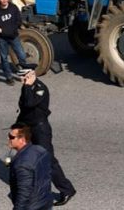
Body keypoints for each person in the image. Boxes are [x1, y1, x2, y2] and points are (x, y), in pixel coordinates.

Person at [16, 70, 76, 206]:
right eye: (21, 76)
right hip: (28, 128)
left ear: (32, 75)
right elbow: (24, 110)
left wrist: (27, 86)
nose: (22, 79)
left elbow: (29, 104)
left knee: (47, 161)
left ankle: (67, 190)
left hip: (40, 129)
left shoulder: (40, 88)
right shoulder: (27, 87)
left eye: (24, 76)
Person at [8, 122, 54, 210]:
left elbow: (24, 191)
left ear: (22, 139)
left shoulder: (22, 164)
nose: (8, 139)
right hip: (45, 201)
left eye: (11, 137)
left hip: (31, 206)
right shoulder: (41, 151)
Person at [0, 0, 28, 85]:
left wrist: (13, 29)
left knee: (22, 56)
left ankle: (23, 75)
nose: (4, 0)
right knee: (4, 58)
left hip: (13, 36)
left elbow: (18, 20)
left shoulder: (13, 8)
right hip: (2, 38)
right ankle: (9, 77)